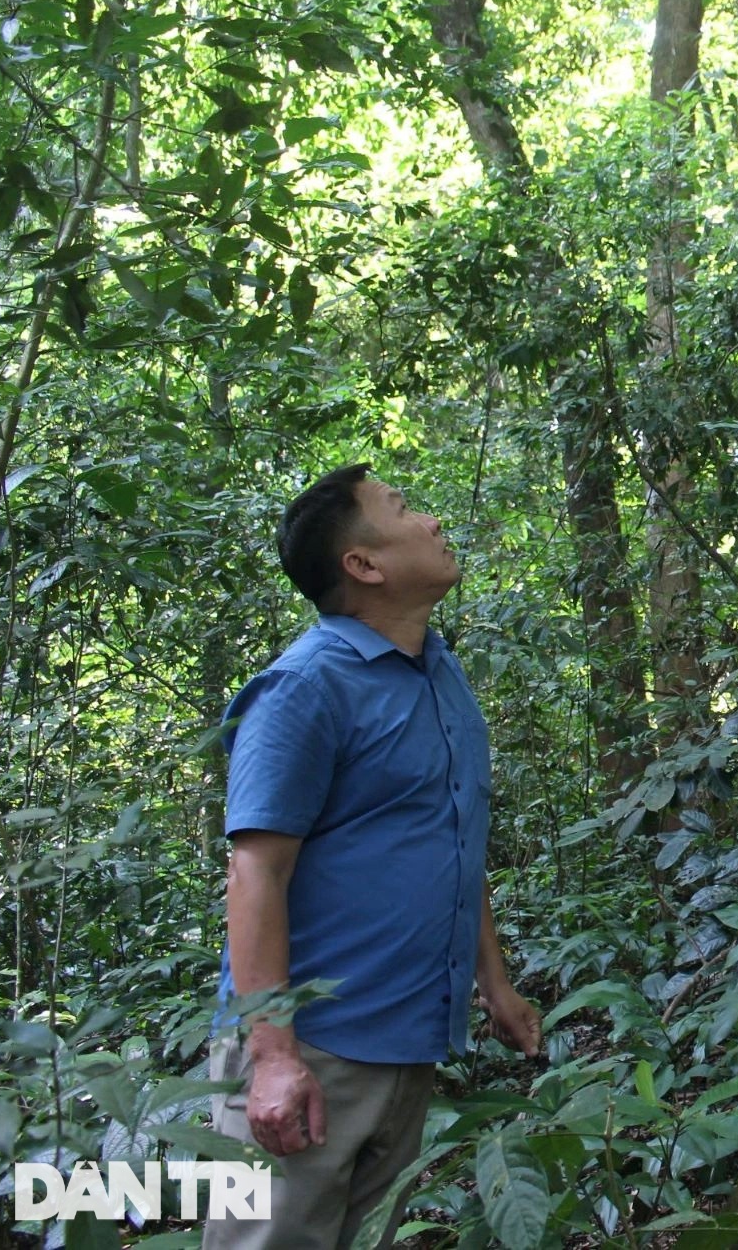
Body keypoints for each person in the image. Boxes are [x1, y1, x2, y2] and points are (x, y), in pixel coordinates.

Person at [208, 464, 542, 1249]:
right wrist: (273, 1058)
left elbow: (452, 835)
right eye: (403, 510)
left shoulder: (439, 668)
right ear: (364, 566)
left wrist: (493, 983)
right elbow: (256, 872)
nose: (430, 520)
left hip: (410, 1036)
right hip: (315, 1048)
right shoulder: (303, 689)